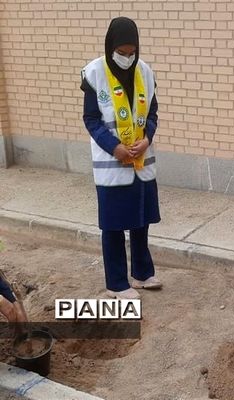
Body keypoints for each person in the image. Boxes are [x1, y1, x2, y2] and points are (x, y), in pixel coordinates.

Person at [81, 17, 162, 300]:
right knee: (114, 224)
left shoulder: (146, 72)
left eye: (132, 53)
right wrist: (114, 147)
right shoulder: (94, 73)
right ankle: (116, 284)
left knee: (140, 220)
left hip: (141, 162)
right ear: (110, 47)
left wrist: (147, 138)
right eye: (122, 52)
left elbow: (152, 114)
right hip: (112, 165)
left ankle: (141, 273)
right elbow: (91, 119)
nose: (127, 58)